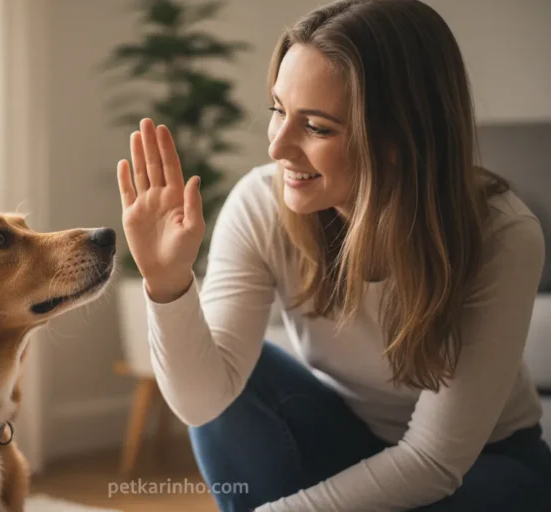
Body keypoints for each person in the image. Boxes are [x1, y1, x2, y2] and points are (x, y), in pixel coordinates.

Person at [115, 0, 551, 510]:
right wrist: (168, 283)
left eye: (317, 127)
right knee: (239, 374)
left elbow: (434, 462)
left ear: (398, 137)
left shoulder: (501, 234)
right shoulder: (260, 202)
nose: (277, 147)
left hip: (484, 465)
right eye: (278, 110)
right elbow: (203, 405)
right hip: (346, 438)